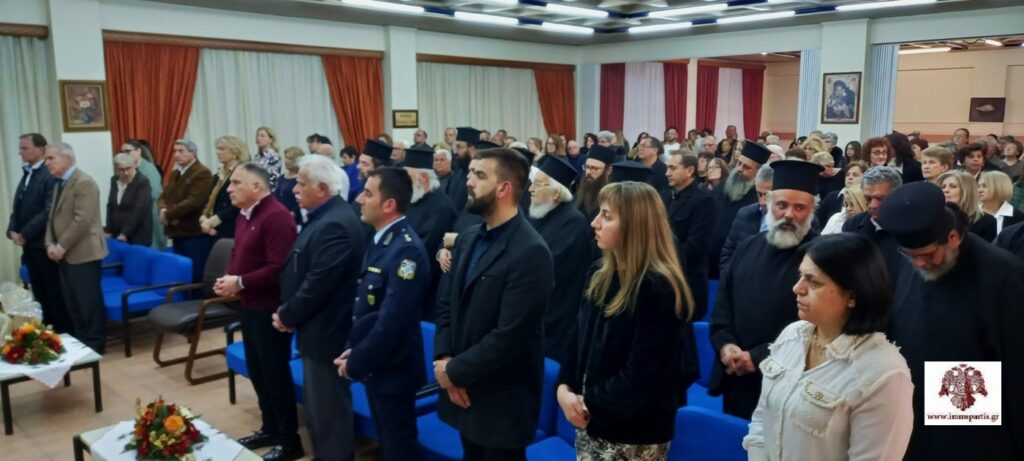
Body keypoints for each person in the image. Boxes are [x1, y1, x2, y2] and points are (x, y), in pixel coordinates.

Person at [877, 182, 1024, 461]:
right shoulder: (914, 262)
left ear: (954, 237)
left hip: (970, 415)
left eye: (928, 255)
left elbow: (1016, 366)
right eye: (910, 256)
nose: (919, 265)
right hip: (912, 406)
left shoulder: (1002, 275)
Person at [743, 234, 914, 460]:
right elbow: (762, 421)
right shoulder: (792, 335)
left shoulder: (882, 373)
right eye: (800, 276)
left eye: (813, 282)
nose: (797, 288)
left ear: (852, 296)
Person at [433, 147, 555, 460]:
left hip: (501, 400)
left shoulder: (531, 252)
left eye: (479, 175)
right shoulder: (469, 237)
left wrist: (454, 371)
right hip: (463, 389)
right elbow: (446, 302)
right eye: (469, 173)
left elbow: (510, 335)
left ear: (504, 189)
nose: (468, 181)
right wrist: (445, 358)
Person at [557, 181, 693, 460]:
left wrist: (588, 403)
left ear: (634, 226)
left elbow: (643, 376)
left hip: (632, 431)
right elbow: (577, 337)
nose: (594, 222)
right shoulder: (601, 272)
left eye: (606, 216)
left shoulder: (658, 288)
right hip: (591, 419)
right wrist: (564, 386)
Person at [710, 160, 822, 419]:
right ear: (769, 203)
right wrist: (726, 345)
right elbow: (723, 305)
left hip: (788, 383)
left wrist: (758, 356)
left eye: (799, 208)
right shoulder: (748, 247)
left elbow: (816, 329)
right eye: (782, 205)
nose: (789, 215)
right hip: (737, 374)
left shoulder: (821, 258)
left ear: (812, 211)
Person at [273, 155, 364, 461]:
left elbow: (319, 285)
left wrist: (287, 315)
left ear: (322, 189)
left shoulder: (335, 223)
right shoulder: (325, 216)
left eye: (301, 184)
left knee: (329, 414)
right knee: (320, 411)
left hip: (328, 332)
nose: (294, 189)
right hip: (316, 328)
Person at [336, 167, 427, 461]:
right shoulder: (382, 241)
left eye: (368, 193)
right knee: (388, 444)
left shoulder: (406, 252)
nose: (359, 199)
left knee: (399, 448)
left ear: (389, 204)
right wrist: (355, 349)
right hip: (379, 363)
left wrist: (357, 361)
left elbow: (392, 321)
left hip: (394, 367)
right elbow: (367, 309)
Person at [211, 163, 299, 461]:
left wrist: (240, 282)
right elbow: (238, 253)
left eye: (236, 183)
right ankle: (270, 428)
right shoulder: (244, 214)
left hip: (270, 308)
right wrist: (230, 279)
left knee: (275, 374)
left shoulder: (276, 217)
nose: (229, 188)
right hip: (249, 304)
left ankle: (289, 440)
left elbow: (278, 269)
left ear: (256, 187)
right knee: (258, 371)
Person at [44, 143, 108, 353]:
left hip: (83, 253)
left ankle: (95, 345)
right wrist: (49, 243)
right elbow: (51, 218)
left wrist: (60, 246)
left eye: (51, 158)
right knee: (73, 303)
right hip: (64, 254)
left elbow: (82, 221)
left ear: (67, 159)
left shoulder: (84, 182)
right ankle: (81, 342)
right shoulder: (60, 183)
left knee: (88, 303)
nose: (47, 163)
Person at [528, 156, 591, 360]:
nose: (531, 189)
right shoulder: (540, 214)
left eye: (538, 184)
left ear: (556, 193)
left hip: (556, 315)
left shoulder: (573, 223)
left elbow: (547, 267)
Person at [9, 133, 70, 333]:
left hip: (44, 243)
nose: (20, 152)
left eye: (24, 148)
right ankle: (47, 332)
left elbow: (48, 211)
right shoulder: (28, 172)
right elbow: (19, 206)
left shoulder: (48, 174)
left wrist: (24, 233)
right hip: (30, 245)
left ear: (40, 149)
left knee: (53, 293)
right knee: (40, 293)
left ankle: (61, 333)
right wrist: (12, 230)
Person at [403, 145, 457, 319]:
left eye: (408, 177)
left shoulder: (441, 207)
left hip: (425, 290)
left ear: (424, 178)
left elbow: (423, 250)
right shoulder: (413, 200)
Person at [662, 151, 715, 319]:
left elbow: (695, 245)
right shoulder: (665, 197)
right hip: (664, 281)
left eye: (673, 168)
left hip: (688, 283)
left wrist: (663, 262)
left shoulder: (703, 201)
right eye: (667, 168)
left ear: (690, 170)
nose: (667, 173)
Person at [708, 142, 771, 280]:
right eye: (739, 163)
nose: (739, 169)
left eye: (747, 167)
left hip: (734, 268)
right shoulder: (724, 185)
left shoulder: (758, 198)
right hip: (709, 262)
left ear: (759, 172)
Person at [158, 139, 213, 284]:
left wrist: (168, 215)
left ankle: (196, 298)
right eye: (175, 151)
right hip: (176, 231)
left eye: (181, 151)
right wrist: (162, 209)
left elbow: (194, 202)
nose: (177, 155)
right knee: (181, 273)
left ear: (193, 152)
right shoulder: (175, 173)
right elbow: (163, 196)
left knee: (195, 273)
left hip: (193, 232)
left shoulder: (202, 172)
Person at [842, 166, 904, 272]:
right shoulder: (852, 225)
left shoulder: (912, 229)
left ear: (897, 195)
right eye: (868, 198)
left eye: (881, 199)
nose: (873, 205)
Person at [719, 164, 773, 276]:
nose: (762, 202)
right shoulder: (745, 214)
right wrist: (729, 279)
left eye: (767, 195)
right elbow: (728, 253)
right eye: (759, 194)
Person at [201, 135, 249, 241]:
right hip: (215, 228)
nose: (217, 152)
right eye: (217, 149)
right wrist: (204, 218)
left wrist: (214, 220)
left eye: (221, 149)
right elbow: (208, 198)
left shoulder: (243, 172)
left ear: (234, 152)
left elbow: (241, 202)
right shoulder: (219, 174)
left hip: (232, 227)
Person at [120, 139, 166, 249]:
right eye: (122, 152)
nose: (124, 155)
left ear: (139, 151)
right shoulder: (128, 170)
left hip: (150, 215)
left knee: (152, 250)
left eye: (128, 151)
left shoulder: (149, 169)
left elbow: (154, 193)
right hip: (135, 216)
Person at [105, 153, 152, 246]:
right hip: (117, 233)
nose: (125, 173)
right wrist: (108, 230)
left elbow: (139, 210)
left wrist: (125, 233)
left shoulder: (142, 181)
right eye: (121, 170)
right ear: (116, 170)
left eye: (128, 168)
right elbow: (111, 206)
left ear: (134, 166)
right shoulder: (114, 180)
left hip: (137, 235)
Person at [938, 170, 996, 241]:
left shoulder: (986, 221)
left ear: (967, 190)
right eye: (943, 187)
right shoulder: (935, 217)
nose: (946, 190)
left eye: (953, 186)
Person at [816, 161, 867, 226]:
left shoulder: (866, 198)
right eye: (847, 175)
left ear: (865, 178)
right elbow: (818, 221)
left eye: (855, 175)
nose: (850, 177)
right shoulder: (831, 197)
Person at [576, 145, 616, 223]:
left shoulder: (611, 199)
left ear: (608, 171)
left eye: (594, 168)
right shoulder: (581, 191)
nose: (588, 172)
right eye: (587, 167)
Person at [979, 170, 1024, 235]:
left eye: (984, 186)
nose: (979, 190)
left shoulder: (1018, 217)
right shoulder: (972, 212)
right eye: (979, 186)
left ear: (999, 187)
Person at [275, 146, 303, 225]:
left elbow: (302, 198)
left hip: (295, 218)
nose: (286, 161)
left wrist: (294, 212)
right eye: (286, 158)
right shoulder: (281, 178)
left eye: (290, 159)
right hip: (280, 215)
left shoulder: (300, 179)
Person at [436, 148, 468, 212]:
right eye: (436, 160)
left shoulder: (456, 179)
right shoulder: (432, 181)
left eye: (442, 160)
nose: (438, 162)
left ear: (449, 162)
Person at [254, 126, 283, 192]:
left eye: (262, 136)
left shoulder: (274, 157)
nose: (258, 138)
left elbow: (272, 178)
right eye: (257, 136)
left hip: (268, 191)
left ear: (271, 139)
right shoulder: (257, 157)